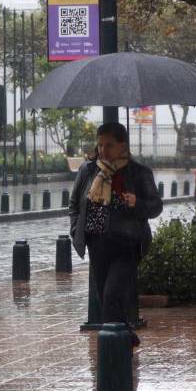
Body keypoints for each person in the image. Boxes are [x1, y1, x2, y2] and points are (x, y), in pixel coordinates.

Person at [69, 122, 162, 346]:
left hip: (127, 244)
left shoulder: (138, 173)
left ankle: (114, 346)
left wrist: (137, 202)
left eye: (109, 145)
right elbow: (74, 204)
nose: (103, 150)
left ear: (123, 146)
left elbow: (156, 206)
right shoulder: (89, 170)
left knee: (112, 294)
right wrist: (76, 231)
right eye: (100, 145)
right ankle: (125, 336)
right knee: (106, 299)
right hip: (97, 242)